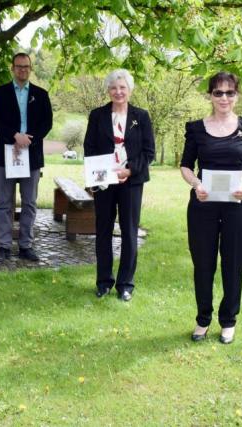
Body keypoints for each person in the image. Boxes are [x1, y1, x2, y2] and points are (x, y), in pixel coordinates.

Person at [180, 72, 242, 344]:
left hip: (238, 207)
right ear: (210, 95)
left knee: (233, 264)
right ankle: (203, 319)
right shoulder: (196, 129)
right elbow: (185, 166)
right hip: (203, 206)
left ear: (237, 96)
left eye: (230, 92)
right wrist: (196, 184)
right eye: (218, 92)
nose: (224, 98)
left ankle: (228, 321)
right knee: (203, 264)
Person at [82, 69, 156, 302]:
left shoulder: (141, 116)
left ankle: (125, 285)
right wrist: (99, 175)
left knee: (129, 232)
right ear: (108, 90)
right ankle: (103, 282)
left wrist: (130, 170)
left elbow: (149, 152)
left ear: (130, 90)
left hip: (131, 182)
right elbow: (89, 148)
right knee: (103, 230)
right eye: (114, 88)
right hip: (104, 182)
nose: (118, 92)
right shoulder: (97, 115)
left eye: (122, 87)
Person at [0, 53, 53, 263]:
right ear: (13, 68)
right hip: (6, 153)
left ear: (30, 68)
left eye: (26, 66)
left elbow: (47, 123)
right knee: (3, 203)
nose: (22, 69)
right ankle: (4, 246)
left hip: (31, 154)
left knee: (29, 203)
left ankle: (26, 246)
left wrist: (28, 140)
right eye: (19, 66)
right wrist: (15, 136)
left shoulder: (41, 94)